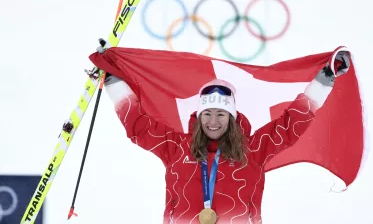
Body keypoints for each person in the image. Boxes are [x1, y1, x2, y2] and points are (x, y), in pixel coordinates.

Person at [102, 51, 350, 224]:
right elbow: (139, 127)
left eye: (221, 114)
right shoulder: (177, 147)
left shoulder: (253, 149)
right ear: (199, 117)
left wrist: (323, 80)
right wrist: (113, 81)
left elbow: (290, 125)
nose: (213, 121)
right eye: (207, 114)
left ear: (231, 117)